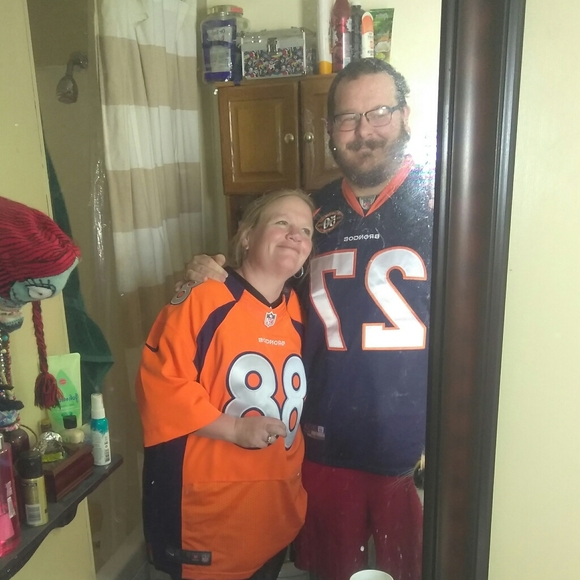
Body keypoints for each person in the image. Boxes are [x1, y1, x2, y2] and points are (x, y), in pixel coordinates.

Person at [183, 59, 433, 580]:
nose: (363, 131)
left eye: (379, 113)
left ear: (406, 115)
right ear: (329, 131)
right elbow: (261, 287)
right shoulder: (308, 214)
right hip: (323, 439)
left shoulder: (444, 199)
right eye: (347, 119)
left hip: (414, 444)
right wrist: (213, 274)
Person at [135, 189, 315, 580]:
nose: (295, 235)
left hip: (275, 508)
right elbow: (160, 385)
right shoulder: (204, 297)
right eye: (282, 222)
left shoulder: (299, 309)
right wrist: (233, 428)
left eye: (306, 230)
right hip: (211, 514)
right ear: (247, 236)